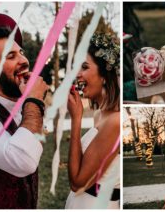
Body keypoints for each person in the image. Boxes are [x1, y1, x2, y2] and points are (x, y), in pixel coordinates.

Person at [0, 14, 48, 209]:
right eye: (11, 56)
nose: (24, 60)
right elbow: (24, 160)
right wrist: (34, 99)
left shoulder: (20, 110)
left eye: (21, 52)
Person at [65, 33, 120, 209]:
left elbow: (78, 184)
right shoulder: (100, 113)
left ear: (104, 75)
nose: (78, 74)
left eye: (84, 67)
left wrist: (76, 119)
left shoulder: (116, 122)